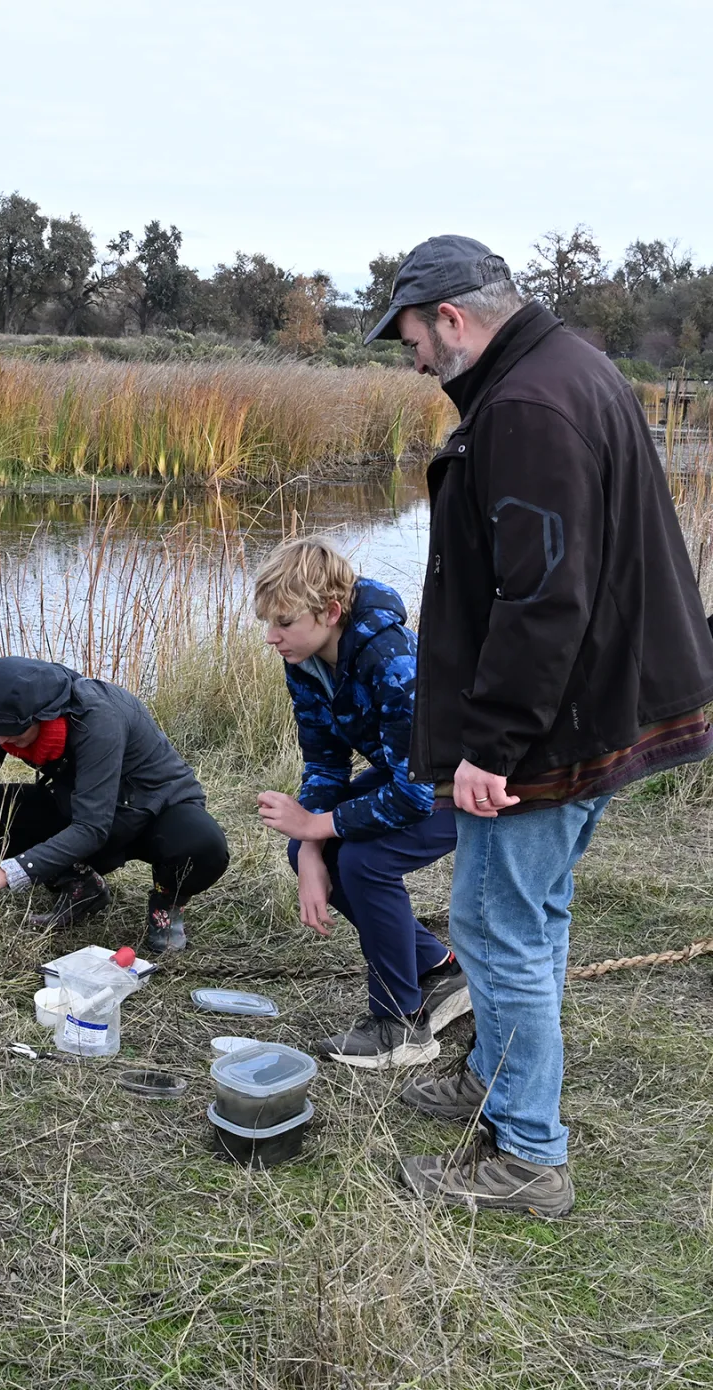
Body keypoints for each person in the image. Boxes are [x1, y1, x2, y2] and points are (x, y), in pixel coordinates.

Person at [365, 235, 713, 1216]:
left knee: (496, 923)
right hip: (600, 702)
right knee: (537, 912)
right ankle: (504, 1083)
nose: (414, 359)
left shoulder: (526, 406)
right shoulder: (573, 369)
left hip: (555, 726)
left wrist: (492, 743)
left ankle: (528, 1155)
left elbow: (543, 594)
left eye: (413, 338)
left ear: (455, 319)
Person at [252, 537, 470, 1069]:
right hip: (415, 775)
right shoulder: (304, 660)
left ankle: (401, 1028)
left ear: (329, 612)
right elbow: (325, 763)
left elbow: (415, 797)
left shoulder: (390, 659)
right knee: (320, 852)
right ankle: (438, 969)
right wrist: (306, 843)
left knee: (364, 861)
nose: (271, 638)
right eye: (267, 622)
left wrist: (319, 824)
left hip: (474, 787)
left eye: (283, 622)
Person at [0, 655, 228, 954]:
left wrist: (3, 874)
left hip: (155, 810)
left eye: (10, 733)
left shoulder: (99, 719)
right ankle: (82, 886)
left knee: (201, 846)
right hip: (82, 806)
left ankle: (166, 905)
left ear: (44, 714)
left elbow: (92, 828)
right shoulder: (5, 713)